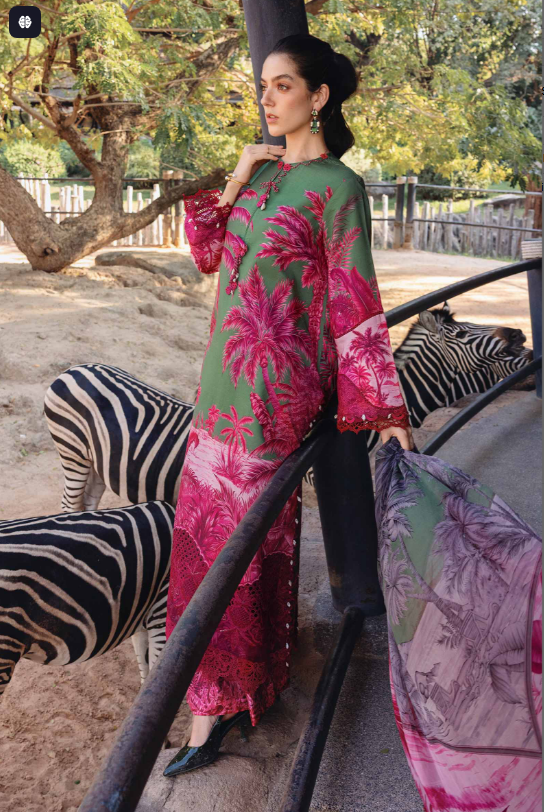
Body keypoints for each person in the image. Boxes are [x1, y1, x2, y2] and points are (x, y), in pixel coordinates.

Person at [163, 32, 415, 778]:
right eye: (264, 87)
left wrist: (384, 406)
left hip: (275, 394)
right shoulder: (264, 173)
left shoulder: (339, 187)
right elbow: (206, 253)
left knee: (238, 548)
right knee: (206, 540)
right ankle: (246, 687)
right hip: (219, 386)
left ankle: (210, 712)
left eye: (282, 86)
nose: (268, 100)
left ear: (318, 96)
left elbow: (354, 299)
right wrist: (239, 176)